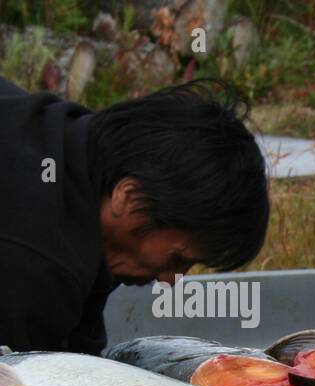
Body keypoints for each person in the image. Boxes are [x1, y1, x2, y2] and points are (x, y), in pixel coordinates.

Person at [0, 78, 270, 354]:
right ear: (127, 196)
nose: (170, 280)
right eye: (178, 258)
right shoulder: (33, 266)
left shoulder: (69, 145)